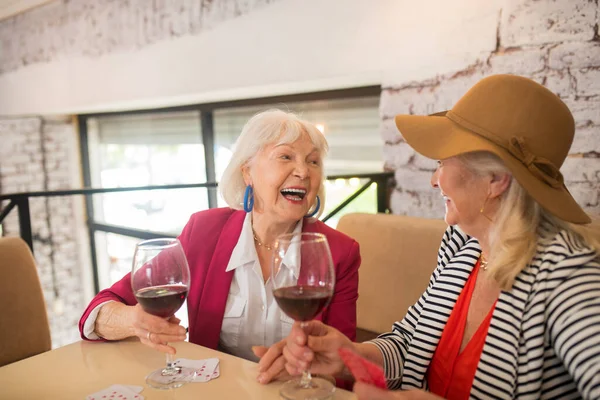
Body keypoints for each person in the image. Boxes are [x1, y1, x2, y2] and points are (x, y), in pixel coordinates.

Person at [257, 75, 600, 399]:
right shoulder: (463, 246)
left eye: (442, 163)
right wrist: (351, 354)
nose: (435, 181)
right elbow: (411, 342)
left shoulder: (569, 277)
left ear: (495, 179)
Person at [78, 109, 360, 363]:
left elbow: (343, 362)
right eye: (286, 156)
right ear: (247, 171)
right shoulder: (204, 232)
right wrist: (133, 320)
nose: (303, 172)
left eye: (313, 162)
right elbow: (102, 307)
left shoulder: (340, 252)